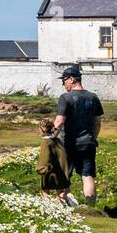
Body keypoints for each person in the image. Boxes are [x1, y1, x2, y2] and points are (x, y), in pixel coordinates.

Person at [54, 65, 103, 205]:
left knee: (64, 175)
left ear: (71, 79)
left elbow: (60, 121)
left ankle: (64, 205)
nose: (63, 84)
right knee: (87, 175)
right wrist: (93, 137)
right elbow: (97, 122)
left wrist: (51, 138)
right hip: (88, 143)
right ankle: (91, 207)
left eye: (64, 80)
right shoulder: (93, 97)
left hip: (69, 144)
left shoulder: (65, 98)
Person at [36, 119, 76, 206]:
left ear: (42, 128)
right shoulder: (57, 140)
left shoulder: (45, 142)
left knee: (45, 190)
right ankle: (67, 205)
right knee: (60, 191)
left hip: (48, 171)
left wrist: (41, 169)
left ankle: (48, 207)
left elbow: (44, 157)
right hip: (60, 171)